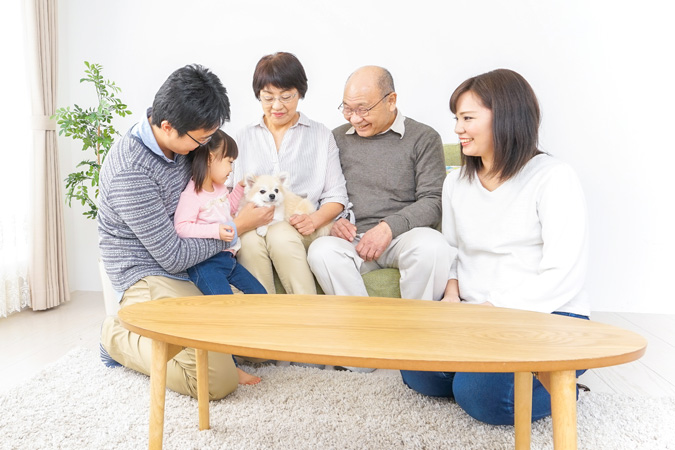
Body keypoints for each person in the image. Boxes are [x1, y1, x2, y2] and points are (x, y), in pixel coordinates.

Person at [400, 68, 591, 425]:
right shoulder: (456, 182)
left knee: (481, 398)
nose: (457, 128)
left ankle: (563, 389)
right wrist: (452, 299)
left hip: (547, 315)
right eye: (456, 118)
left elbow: (564, 272)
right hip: (477, 316)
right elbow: (453, 250)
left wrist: (492, 309)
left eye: (468, 118)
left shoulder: (553, 177)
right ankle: (492, 374)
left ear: (505, 118)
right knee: (416, 372)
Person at [98, 64, 273, 399]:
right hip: (148, 273)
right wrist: (236, 228)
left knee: (260, 340)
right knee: (219, 383)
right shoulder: (130, 171)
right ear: (167, 126)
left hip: (195, 264)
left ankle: (182, 339)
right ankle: (116, 336)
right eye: (201, 139)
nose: (204, 146)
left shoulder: (182, 144)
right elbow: (172, 256)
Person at [307, 66, 452, 303]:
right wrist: (332, 222)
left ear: (391, 101)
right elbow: (318, 192)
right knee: (321, 251)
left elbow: (434, 200)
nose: (354, 118)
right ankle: (363, 329)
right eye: (347, 108)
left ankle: (417, 328)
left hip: (403, 237)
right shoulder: (336, 138)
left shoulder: (424, 138)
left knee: (433, 247)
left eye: (363, 109)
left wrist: (388, 228)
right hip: (351, 240)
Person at [231, 52, 349, 295]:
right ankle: (263, 321)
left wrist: (314, 220)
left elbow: (337, 196)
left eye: (286, 97)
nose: (277, 106)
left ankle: (306, 314)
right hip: (254, 225)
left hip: (301, 224)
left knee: (280, 233)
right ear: (258, 96)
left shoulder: (320, 135)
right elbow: (230, 190)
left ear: (300, 93)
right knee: (250, 241)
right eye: (268, 97)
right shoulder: (242, 137)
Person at [174, 129, 266, 385]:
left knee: (261, 297)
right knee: (224, 313)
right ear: (211, 158)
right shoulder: (191, 195)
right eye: (229, 162)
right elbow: (182, 227)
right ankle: (233, 368)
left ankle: (262, 346)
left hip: (228, 260)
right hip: (206, 266)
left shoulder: (219, 188)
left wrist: (238, 189)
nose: (231, 168)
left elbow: (228, 209)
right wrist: (214, 231)